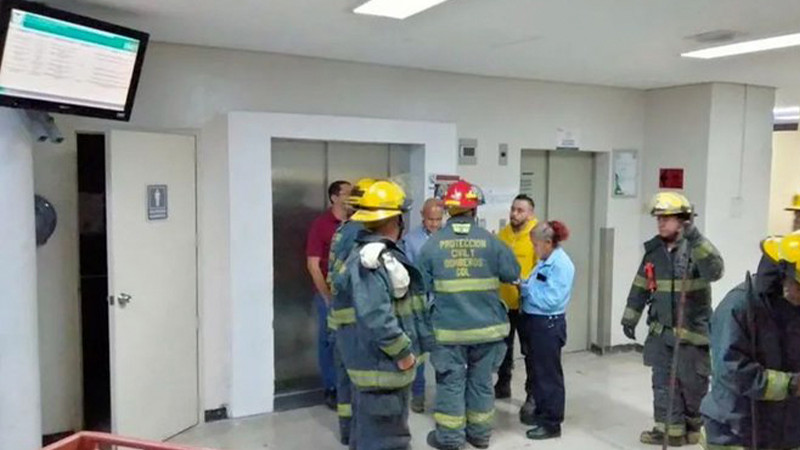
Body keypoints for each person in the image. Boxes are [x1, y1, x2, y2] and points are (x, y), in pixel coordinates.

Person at [331, 180, 435, 450]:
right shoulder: (371, 261)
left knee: (370, 436)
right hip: (382, 370)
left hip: (376, 368)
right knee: (387, 440)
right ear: (393, 220)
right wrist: (403, 354)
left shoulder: (372, 254)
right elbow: (376, 316)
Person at [418, 180, 520, 450]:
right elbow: (513, 273)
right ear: (475, 209)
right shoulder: (492, 242)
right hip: (488, 331)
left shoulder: (432, 245)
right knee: (482, 383)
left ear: (448, 210)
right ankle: (480, 435)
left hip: (448, 332)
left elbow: (420, 286)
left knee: (450, 384)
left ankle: (450, 439)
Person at [621, 192, 724, 446]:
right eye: (659, 219)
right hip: (662, 334)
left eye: (666, 218)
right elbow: (640, 286)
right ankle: (670, 432)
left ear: (683, 221)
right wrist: (630, 318)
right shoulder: (654, 252)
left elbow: (716, 271)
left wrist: (696, 238)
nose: (661, 223)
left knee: (693, 386)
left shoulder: (696, 249)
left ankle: (694, 427)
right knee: (664, 385)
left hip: (692, 335)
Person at [700, 232, 800, 450]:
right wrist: (790, 384)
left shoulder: (793, 306)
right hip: (734, 431)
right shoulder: (738, 307)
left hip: (782, 431)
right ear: (783, 274)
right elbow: (731, 371)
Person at [327, 178, 376, 445]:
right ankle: (360, 434)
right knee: (362, 381)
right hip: (357, 320)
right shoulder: (361, 232)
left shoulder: (344, 230)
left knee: (345, 379)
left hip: (340, 316)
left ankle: (348, 432)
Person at [520, 221, 574, 440]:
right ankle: (541, 413)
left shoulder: (561, 265)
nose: (534, 249)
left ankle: (552, 424)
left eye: (536, 245)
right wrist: (526, 285)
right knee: (537, 373)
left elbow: (552, 300)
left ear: (548, 243)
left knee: (548, 375)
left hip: (548, 325)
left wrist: (526, 290)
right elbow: (538, 286)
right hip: (535, 322)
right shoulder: (545, 261)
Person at [306, 180, 352, 409]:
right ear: (334, 197)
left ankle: (349, 387)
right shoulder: (321, 225)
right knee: (328, 341)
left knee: (350, 341)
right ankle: (331, 388)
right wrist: (327, 296)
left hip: (352, 295)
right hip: (328, 295)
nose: (351, 197)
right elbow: (313, 265)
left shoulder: (356, 224)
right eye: (347, 193)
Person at [400, 198, 445, 414]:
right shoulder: (410, 240)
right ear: (422, 216)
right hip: (418, 303)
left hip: (442, 304)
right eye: (430, 219)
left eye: (438, 219)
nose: (434, 224)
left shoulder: (448, 238)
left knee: (442, 352)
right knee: (417, 352)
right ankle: (418, 395)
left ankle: (444, 395)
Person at [495, 194, 538, 411]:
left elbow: (541, 271)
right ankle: (503, 384)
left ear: (530, 214)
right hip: (503, 303)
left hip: (526, 305)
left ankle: (532, 394)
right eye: (513, 209)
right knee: (503, 348)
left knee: (530, 352)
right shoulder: (503, 234)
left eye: (520, 210)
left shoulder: (537, 235)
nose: (514, 213)